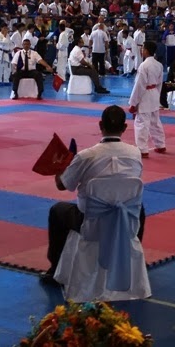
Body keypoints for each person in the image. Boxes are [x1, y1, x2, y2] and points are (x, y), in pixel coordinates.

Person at [39, 105, 146, 283]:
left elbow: (61, 185)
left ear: (99, 125)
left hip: (90, 221)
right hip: (125, 220)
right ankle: (129, 261)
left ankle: (55, 268)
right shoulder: (135, 154)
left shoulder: (86, 156)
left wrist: (60, 167)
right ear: (125, 128)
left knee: (57, 211)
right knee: (139, 208)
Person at [129, 42, 166, 158]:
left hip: (145, 95)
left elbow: (139, 85)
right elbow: (160, 83)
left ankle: (142, 149)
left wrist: (133, 103)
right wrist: (157, 96)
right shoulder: (159, 65)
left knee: (141, 122)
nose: (141, 51)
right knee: (155, 121)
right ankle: (160, 145)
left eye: (143, 49)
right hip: (154, 93)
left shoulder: (144, 66)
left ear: (146, 51)